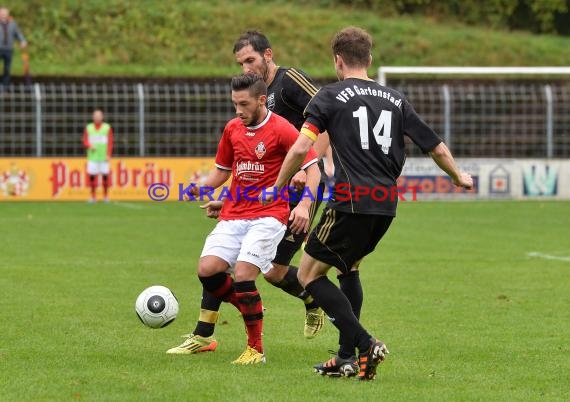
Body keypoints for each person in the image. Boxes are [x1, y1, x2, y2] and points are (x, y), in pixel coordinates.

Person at [267, 27, 473, 380]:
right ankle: (347, 358)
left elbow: (302, 147)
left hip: (350, 201)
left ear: (338, 61)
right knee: (349, 269)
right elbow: (436, 146)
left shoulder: (329, 96)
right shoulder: (395, 99)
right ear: (370, 60)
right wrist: (458, 176)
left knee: (307, 274)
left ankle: (365, 342)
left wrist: (278, 184)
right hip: (385, 204)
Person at [168, 31, 330, 355]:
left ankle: (314, 298)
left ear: (268, 55)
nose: (246, 67)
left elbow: (325, 119)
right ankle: (203, 333)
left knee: (274, 272)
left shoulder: (290, 81)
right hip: (264, 190)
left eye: (251, 60)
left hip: (303, 185)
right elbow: (231, 167)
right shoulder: (248, 102)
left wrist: (304, 167)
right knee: (224, 262)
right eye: (241, 62)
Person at [83, 109, 113, 203]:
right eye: (95, 115)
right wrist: (89, 146)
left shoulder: (107, 128)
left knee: (105, 176)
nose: (97, 117)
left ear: (102, 117)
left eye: (99, 115)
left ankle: (105, 196)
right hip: (93, 157)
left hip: (103, 157)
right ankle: (93, 196)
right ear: (93, 117)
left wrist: (108, 154)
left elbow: (110, 142)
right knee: (92, 177)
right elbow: (85, 141)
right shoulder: (89, 128)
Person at [0, 7, 26, 91]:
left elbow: (18, 33)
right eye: (2, 13)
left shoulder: (12, 24)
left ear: (8, 14)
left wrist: (22, 41)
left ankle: (5, 87)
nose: (3, 15)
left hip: (8, 49)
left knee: (7, 69)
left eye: (5, 13)